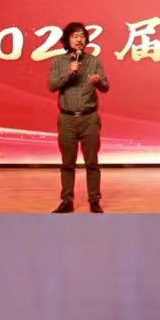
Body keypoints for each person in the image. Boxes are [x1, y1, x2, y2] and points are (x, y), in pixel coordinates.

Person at [46, 22, 108, 214]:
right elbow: (52, 85)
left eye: (82, 36)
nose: (79, 39)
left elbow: (106, 87)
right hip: (67, 119)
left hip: (89, 118)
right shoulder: (58, 62)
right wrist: (69, 72)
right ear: (67, 40)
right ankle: (67, 200)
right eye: (74, 36)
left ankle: (94, 200)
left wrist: (99, 82)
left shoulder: (94, 61)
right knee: (67, 164)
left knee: (92, 163)